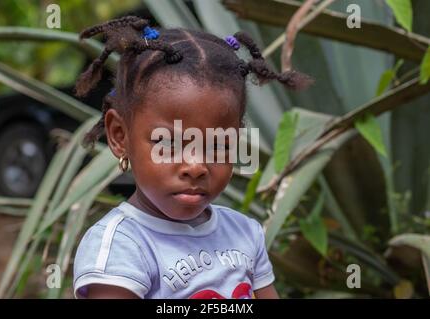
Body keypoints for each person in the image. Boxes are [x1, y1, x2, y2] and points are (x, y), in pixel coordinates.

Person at [72, 15, 312, 299]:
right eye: (170, 143)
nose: (196, 166)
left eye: (218, 145)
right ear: (120, 136)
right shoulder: (121, 247)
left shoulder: (244, 233)